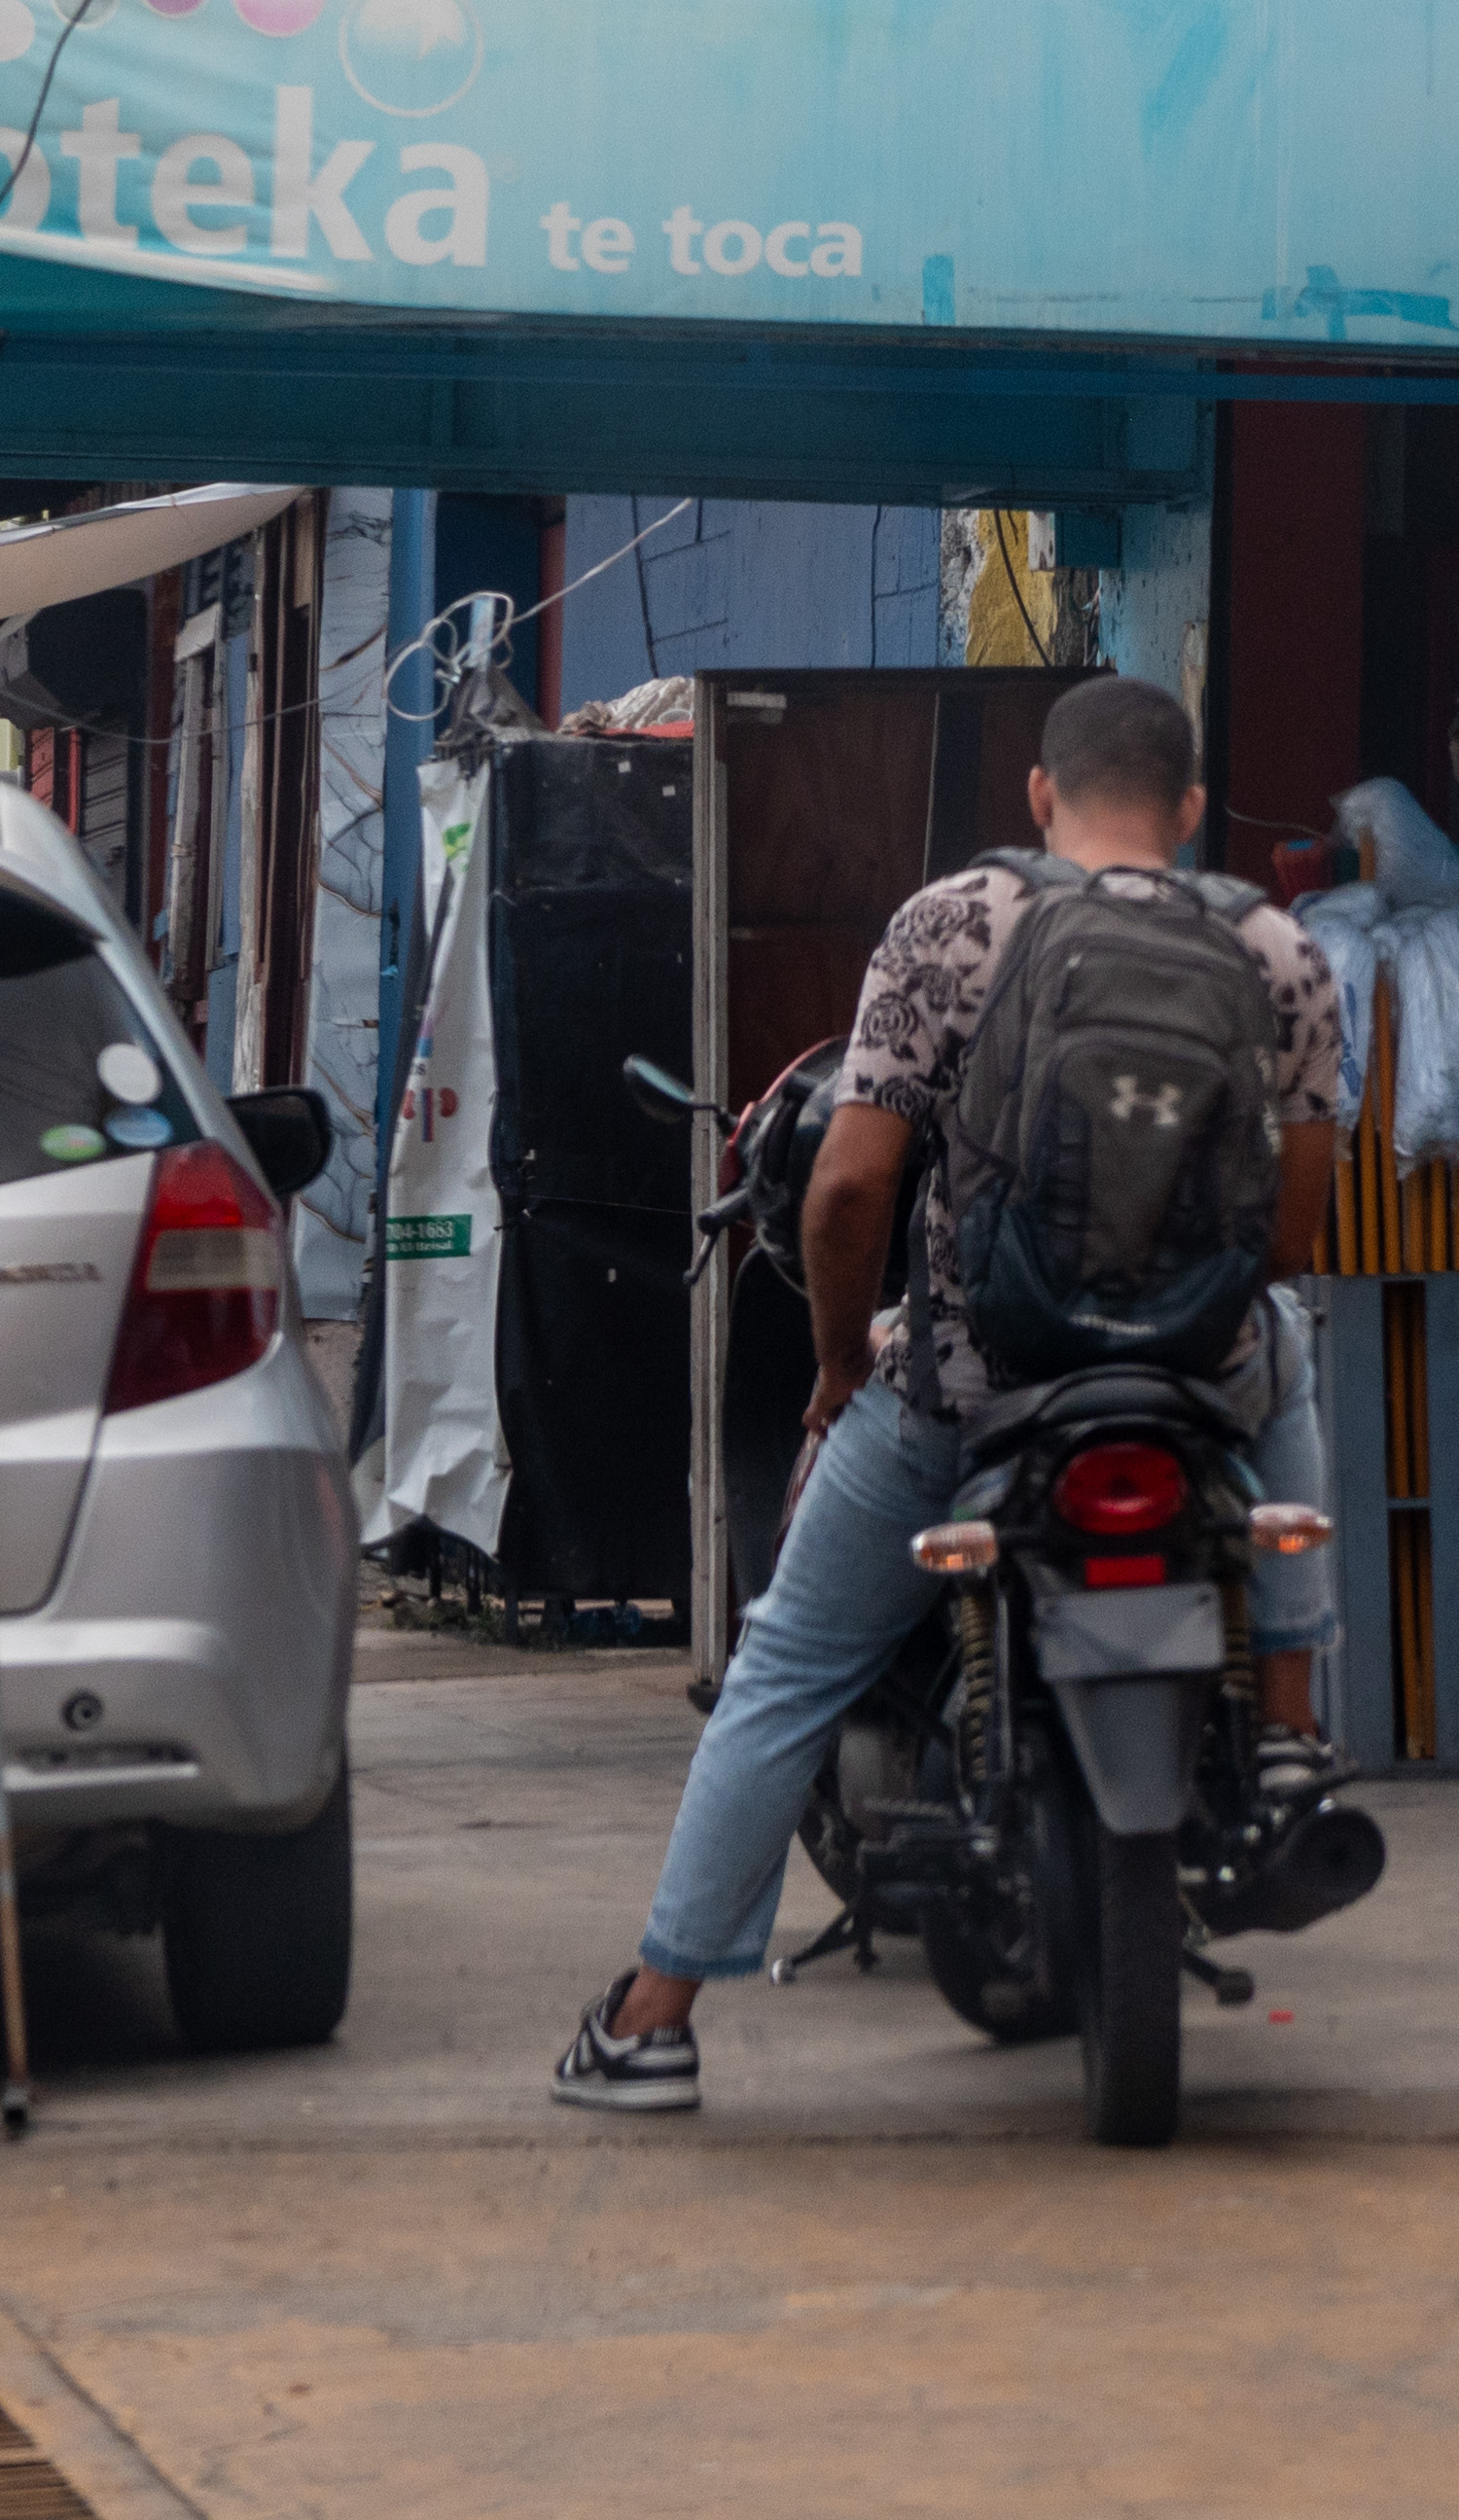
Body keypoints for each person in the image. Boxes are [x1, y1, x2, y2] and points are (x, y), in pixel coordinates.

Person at [553, 673, 1344, 2113]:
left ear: (1040, 794)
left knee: (788, 1668)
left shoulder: (951, 924)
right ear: (1188, 805)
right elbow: (1292, 1233)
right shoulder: (1276, 948)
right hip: (1197, 1382)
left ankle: (653, 2021)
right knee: (1285, 1331)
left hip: (974, 1387)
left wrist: (844, 1364)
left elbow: (849, 1186)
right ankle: (1288, 1730)